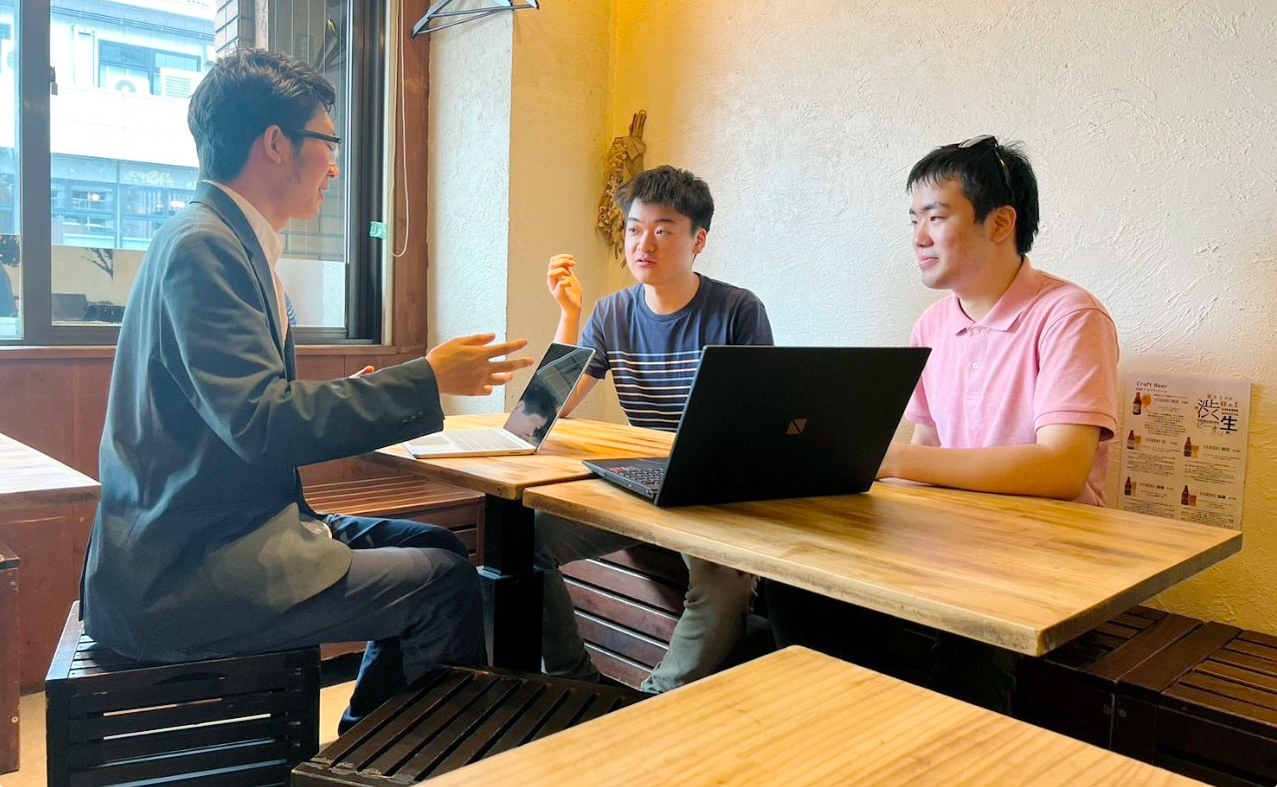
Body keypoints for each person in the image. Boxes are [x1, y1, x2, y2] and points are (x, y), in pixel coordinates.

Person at [82, 48, 533, 730]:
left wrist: (359, 390)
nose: (335, 165)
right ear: (274, 144)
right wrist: (430, 378)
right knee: (444, 585)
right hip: (185, 570)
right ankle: (394, 757)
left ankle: (367, 746)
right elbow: (261, 423)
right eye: (328, 142)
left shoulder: (219, 238)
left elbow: (239, 408)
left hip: (213, 534)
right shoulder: (206, 246)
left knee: (441, 547)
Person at [767, 136, 1119, 712]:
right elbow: (930, 448)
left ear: (1000, 222)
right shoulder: (931, 326)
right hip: (954, 543)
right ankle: (850, 728)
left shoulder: (1069, 315)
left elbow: (1062, 468)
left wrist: (891, 459)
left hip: (1047, 554)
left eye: (935, 217)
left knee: (970, 632)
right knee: (799, 577)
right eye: (914, 220)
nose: (918, 238)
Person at [537, 165, 773, 693]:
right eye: (634, 229)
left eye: (664, 230)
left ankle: (651, 703)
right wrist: (570, 316)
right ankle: (574, 681)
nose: (644, 244)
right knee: (528, 539)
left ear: (698, 240)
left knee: (725, 582)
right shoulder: (612, 313)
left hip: (713, 486)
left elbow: (761, 423)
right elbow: (545, 411)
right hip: (641, 479)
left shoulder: (737, 310)